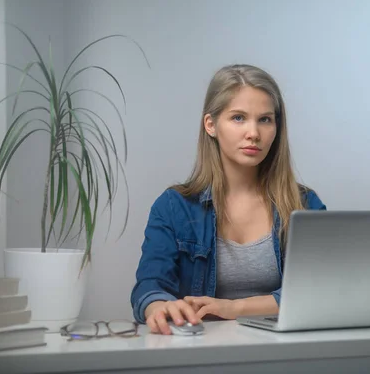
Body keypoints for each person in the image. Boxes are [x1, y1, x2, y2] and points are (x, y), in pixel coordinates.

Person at [130, 64, 326, 335]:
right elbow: (149, 285)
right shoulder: (174, 206)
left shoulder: (304, 204)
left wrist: (234, 309)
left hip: (285, 350)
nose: (253, 133)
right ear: (210, 124)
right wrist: (158, 306)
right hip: (203, 352)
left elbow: (317, 288)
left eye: (265, 119)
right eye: (238, 118)